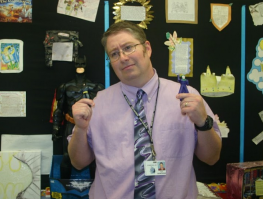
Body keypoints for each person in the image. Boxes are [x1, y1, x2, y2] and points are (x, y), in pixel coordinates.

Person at [68, 21, 222, 198]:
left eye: (128, 47)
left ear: (147, 48)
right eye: (114, 54)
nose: (123, 57)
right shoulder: (98, 104)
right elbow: (78, 163)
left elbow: (212, 158)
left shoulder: (186, 96)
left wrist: (203, 123)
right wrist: (80, 128)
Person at [52, 55, 104, 179]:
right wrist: (55, 127)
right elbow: (59, 109)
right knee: (67, 156)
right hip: (71, 123)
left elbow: (104, 110)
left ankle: (95, 188)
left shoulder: (96, 87)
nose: (80, 66)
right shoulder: (65, 87)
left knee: (94, 157)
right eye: (78, 64)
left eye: (82, 64)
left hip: (91, 124)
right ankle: (64, 189)